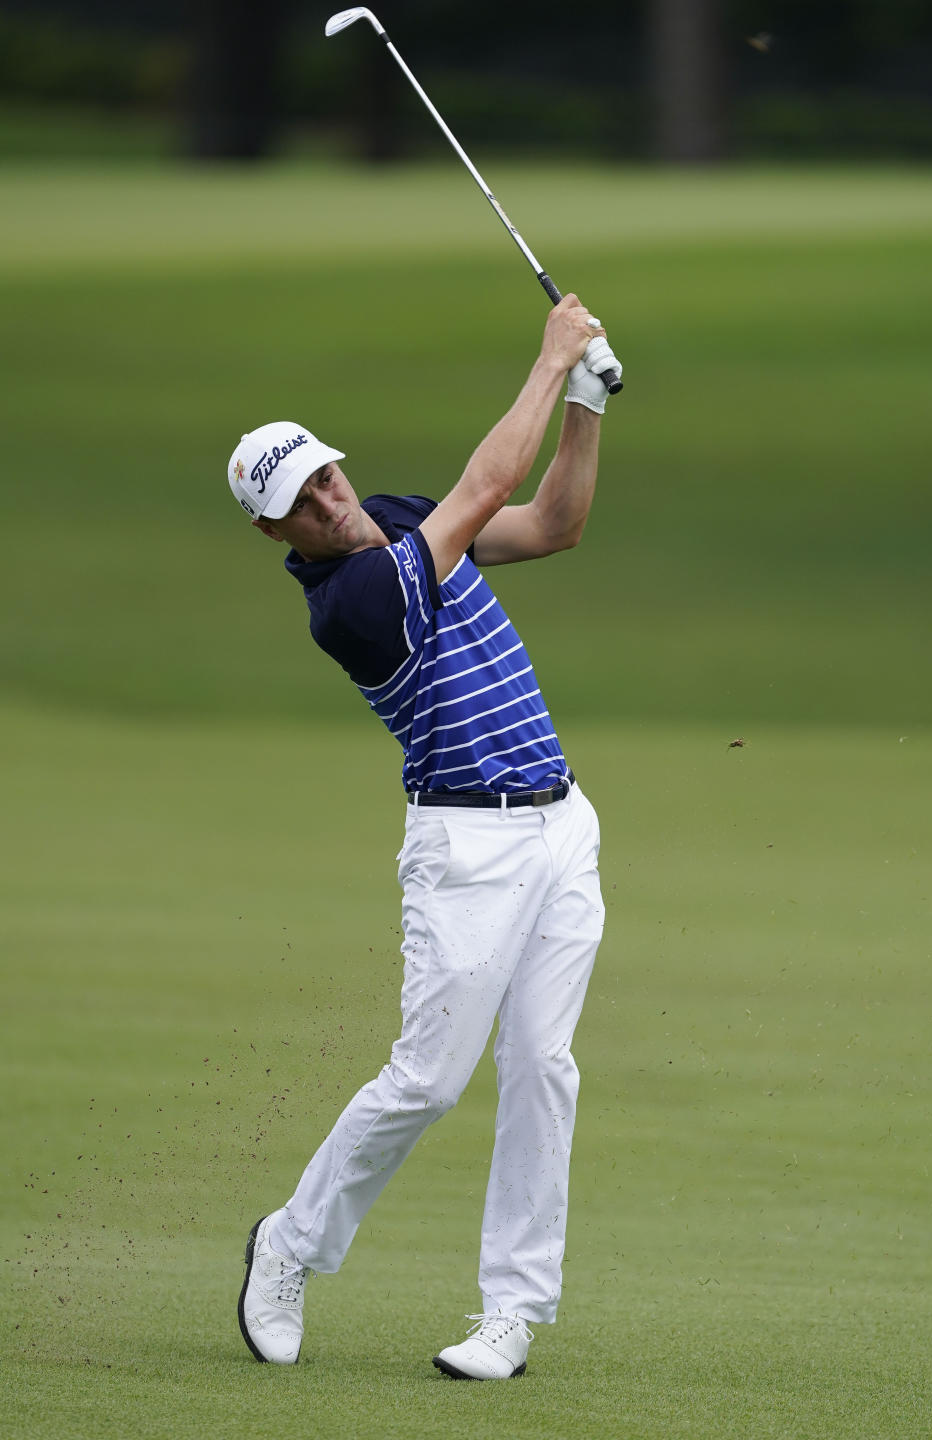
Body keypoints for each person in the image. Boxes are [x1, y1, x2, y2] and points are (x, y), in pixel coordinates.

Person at [228, 294, 621, 1380]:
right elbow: (490, 484)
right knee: (430, 1080)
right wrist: (550, 362)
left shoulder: (394, 514)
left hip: (559, 827)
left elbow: (550, 522)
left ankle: (512, 1314)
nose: (327, 498)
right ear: (275, 532)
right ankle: (289, 1246)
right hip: (466, 849)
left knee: (546, 1067)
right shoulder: (349, 600)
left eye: (324, 473)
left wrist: (585, 401)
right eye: (299, 501)